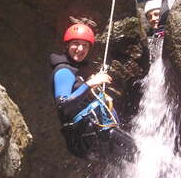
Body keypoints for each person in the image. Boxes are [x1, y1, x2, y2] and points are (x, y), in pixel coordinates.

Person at [50, 20, 137, 160]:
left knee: (133, 160)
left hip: (94, 137)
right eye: (75, 44)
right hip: (90, 135)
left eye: (85, 45)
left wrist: (88, 84)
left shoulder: (75, 72)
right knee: (138, 153)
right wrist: (90, 84)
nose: (80, 49)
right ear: (67, 45)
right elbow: (64, 105)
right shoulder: (63, 71)